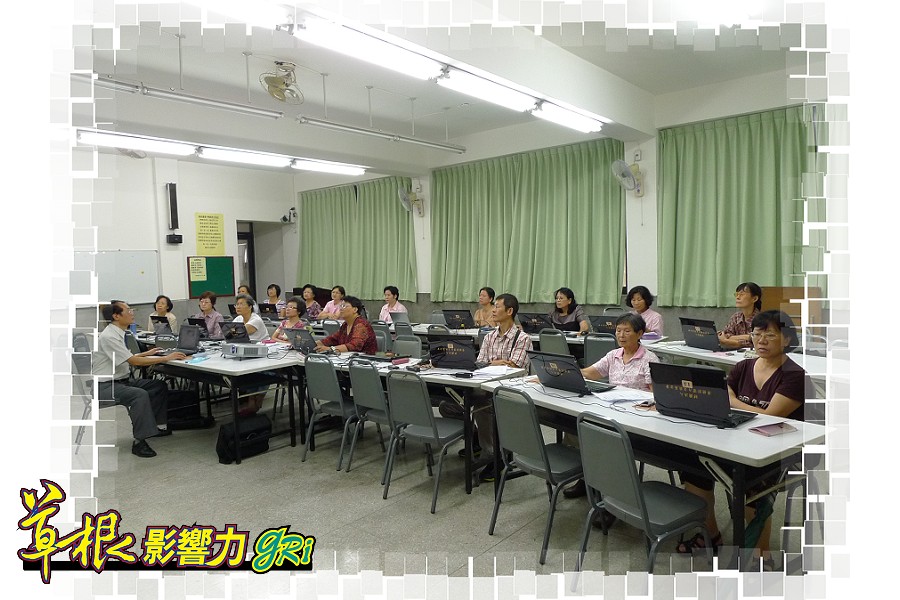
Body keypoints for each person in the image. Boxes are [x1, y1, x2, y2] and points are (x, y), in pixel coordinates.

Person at [677, 310, 809, 565]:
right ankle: (710, 536)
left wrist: (734, 401)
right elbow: (722, 394)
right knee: (695, 465)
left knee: (748, 481)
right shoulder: (743, 366)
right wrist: (731, 400)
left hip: (780, 451)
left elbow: (769, 416)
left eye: (770, 335)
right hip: (740, 441)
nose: (761, 340)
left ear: (787, 339)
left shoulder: (794, 375)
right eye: (757, 334)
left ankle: (761, 556)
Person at [562, 312, 660, 502]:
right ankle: (587, 478)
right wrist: (566, 371)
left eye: (627, 331)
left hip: (636, 415)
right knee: (578, 427)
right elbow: (591, 373)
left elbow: (656, 395)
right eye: (618, 330)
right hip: (612, 408)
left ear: (640, 334)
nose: (621, 335)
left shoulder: (649, 359)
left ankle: (615, 495)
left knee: (605, 437)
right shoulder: (614, 355)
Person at [93, 300, 187, 458]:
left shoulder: (117, 332)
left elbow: (126, 356)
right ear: (116, 316)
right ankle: (139, 442)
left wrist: (146, 354)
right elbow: (133, 362)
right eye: (128, 311)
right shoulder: (110, 336)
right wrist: (165, 358)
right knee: (139, 394)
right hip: (105, 387)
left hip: (120, 381)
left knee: (157, 386)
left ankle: (154, 428)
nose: (132, 313)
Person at [471, 293, 533, 481]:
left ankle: (494, 456)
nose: (494, 310)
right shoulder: (489, 337)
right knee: (450, 405)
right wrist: (498, 362)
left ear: (510, 311)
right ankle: (479, 441)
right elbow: (479, 363)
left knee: (482, 407)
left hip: (510, 391)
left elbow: (515, 367)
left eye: (497, 307)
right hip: (486, 386)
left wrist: (493, 363)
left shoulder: (522, 338)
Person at [718, 282, 762, 349]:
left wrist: (729, 341)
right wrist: (747, 337)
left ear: (754, 299)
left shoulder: (762, 319)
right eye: (737, 294)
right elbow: (725, 335)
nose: (738, 297)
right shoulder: (736, 317)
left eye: (742, 294)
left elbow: (756, 341)